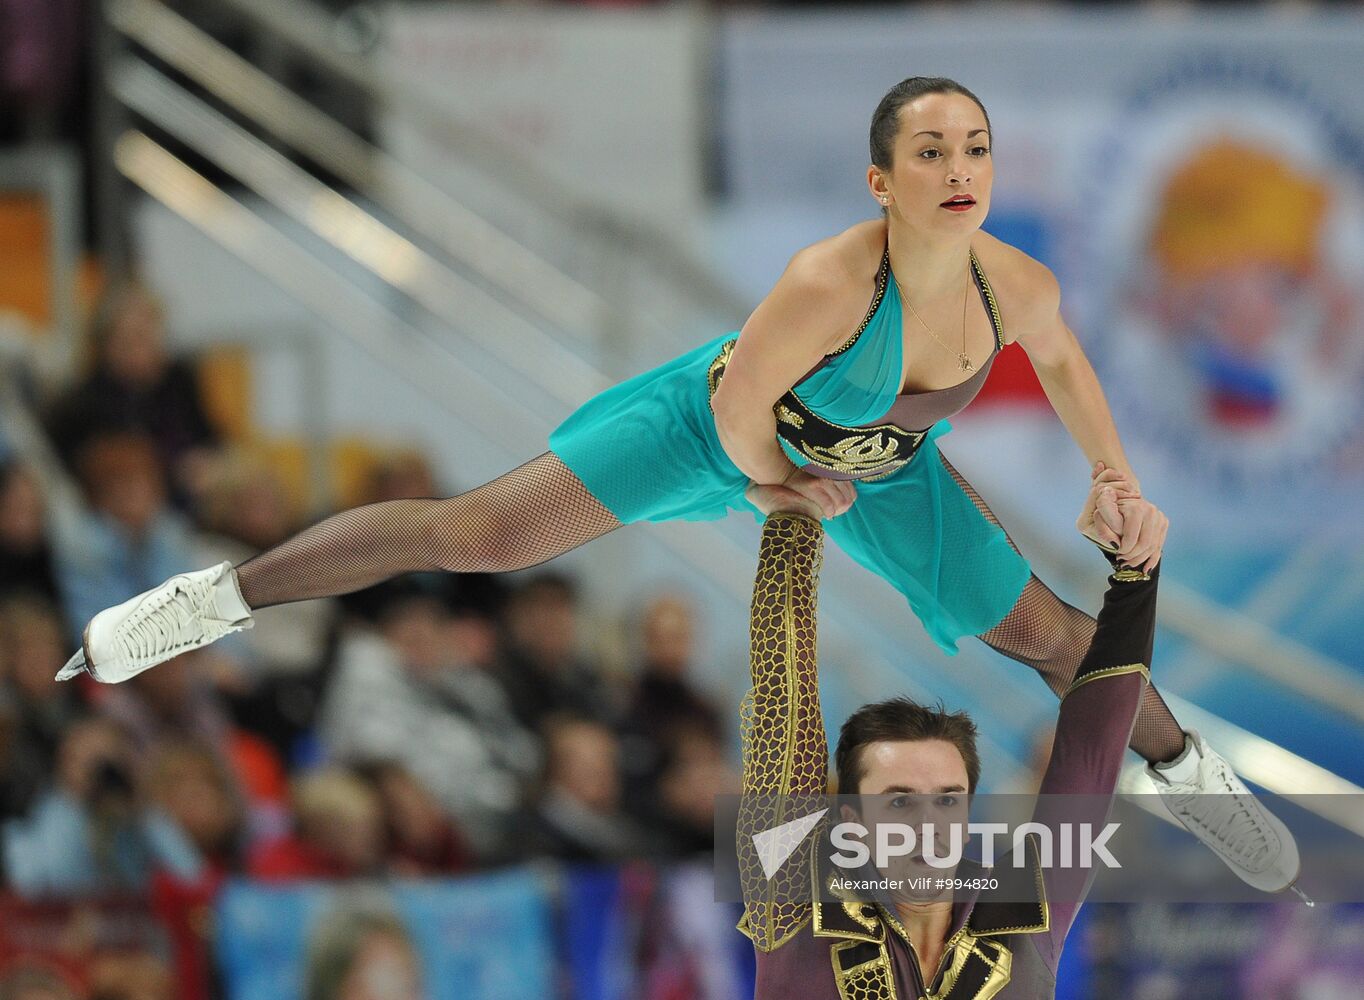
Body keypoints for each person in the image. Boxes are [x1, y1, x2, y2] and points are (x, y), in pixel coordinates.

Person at [58, 77, 1292, 889]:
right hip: (709, 431)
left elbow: (1068, 367)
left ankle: (1190, 777)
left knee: (1057, 635)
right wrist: (767, 493)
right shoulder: (824, 282)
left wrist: (1114, 477)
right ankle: (214, 597)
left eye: (973, 146)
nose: (959, 166)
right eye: (930, 151)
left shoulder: (1010, 285)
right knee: (475, 535)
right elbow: (744, 409)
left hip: (882, 474)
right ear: (882, 181)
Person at [733, 480, 1293, 999]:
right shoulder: (792, 907)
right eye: (899, 800)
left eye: (947, 800)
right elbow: (784, 709)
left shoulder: (1022, 911)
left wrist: (1137, 569)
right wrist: (793, 521)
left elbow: (1090, 752)